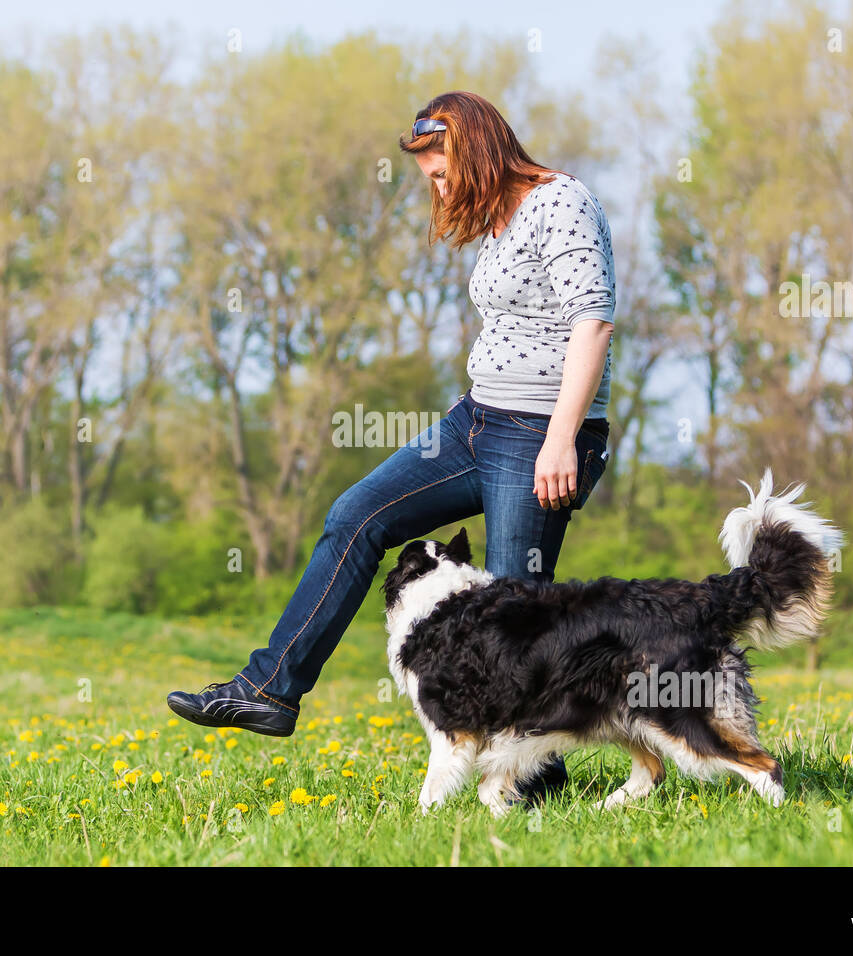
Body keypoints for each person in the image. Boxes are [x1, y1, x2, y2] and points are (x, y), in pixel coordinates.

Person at [167, 90, 617, 806]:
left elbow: (592, 322)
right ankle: (269, 689)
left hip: (541, 433)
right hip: (476, 421)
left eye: (441, 172)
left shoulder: (562, 202)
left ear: (473, 150)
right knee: (357, 515)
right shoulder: (501, 220)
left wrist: (562, 438)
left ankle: (538, 783)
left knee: (510, 616)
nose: (436, 188)